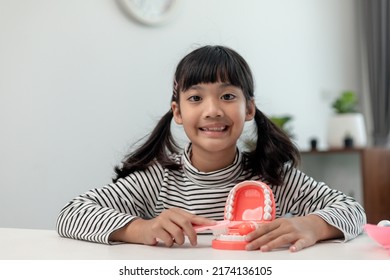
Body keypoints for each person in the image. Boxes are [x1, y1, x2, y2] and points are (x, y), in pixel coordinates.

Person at [56, 45, 366, 252]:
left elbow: (353, 211)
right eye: (196, 98)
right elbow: (71, 214)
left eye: (228, 96)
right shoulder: (156, 180)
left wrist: (310, 225)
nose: (213, 110)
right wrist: (142, 229)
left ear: (249, 109)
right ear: (177, 112)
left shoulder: (272, 178)